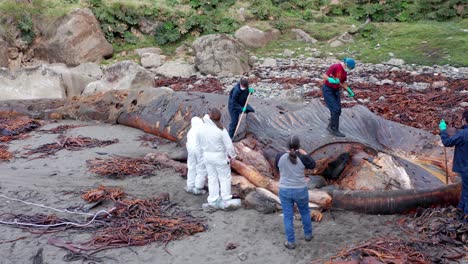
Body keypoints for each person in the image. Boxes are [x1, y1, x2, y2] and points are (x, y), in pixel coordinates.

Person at [276, 135, 316, 249]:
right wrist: (305, 154)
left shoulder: (279, 156)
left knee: (288, 216)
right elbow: (313, 165)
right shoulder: (302, 157)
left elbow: (276, 168)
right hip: (300, 190)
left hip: (284, 190)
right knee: (304, 212)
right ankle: (308, 235)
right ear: (299, 145)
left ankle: (291, 242)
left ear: (287, 145)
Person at [198, 108, 237, 210]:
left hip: (207, 156)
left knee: (212, 178)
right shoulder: (221, 130)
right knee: (224, 178)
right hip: (219, 156)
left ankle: (213, 200)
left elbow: (199, 143)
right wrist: (233, 156)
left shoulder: (202, 128)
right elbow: (229, 146)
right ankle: (226, 199)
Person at [439, 110, 468, 222]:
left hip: (466, 168)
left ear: (464, 120)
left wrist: (443, 130)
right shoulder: (462, 133)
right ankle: (460, 211)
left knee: (467, 192)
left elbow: (447, 142)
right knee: (465, 190)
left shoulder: (463, 134)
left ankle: (465, 220)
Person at [322, 58, 356, 137]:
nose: (349, 69)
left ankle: (330, 126)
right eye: (350, 68)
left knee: (338, 110)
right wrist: (330, 79)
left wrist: (349, 90)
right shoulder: (335, 66)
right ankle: (334, 129)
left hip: (336, 90)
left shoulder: (344, 72)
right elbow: (324, 76)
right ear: (346, 64)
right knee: (335, 109)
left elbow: (343, 82)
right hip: (328, 89)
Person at [185, 116, 207, 195]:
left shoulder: (190, 131)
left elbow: (187, 143)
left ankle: (190, 186)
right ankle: (198, 188)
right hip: (199, 151)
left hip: (190, 151)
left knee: (191, 167)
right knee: (201, 168)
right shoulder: (202, 130)